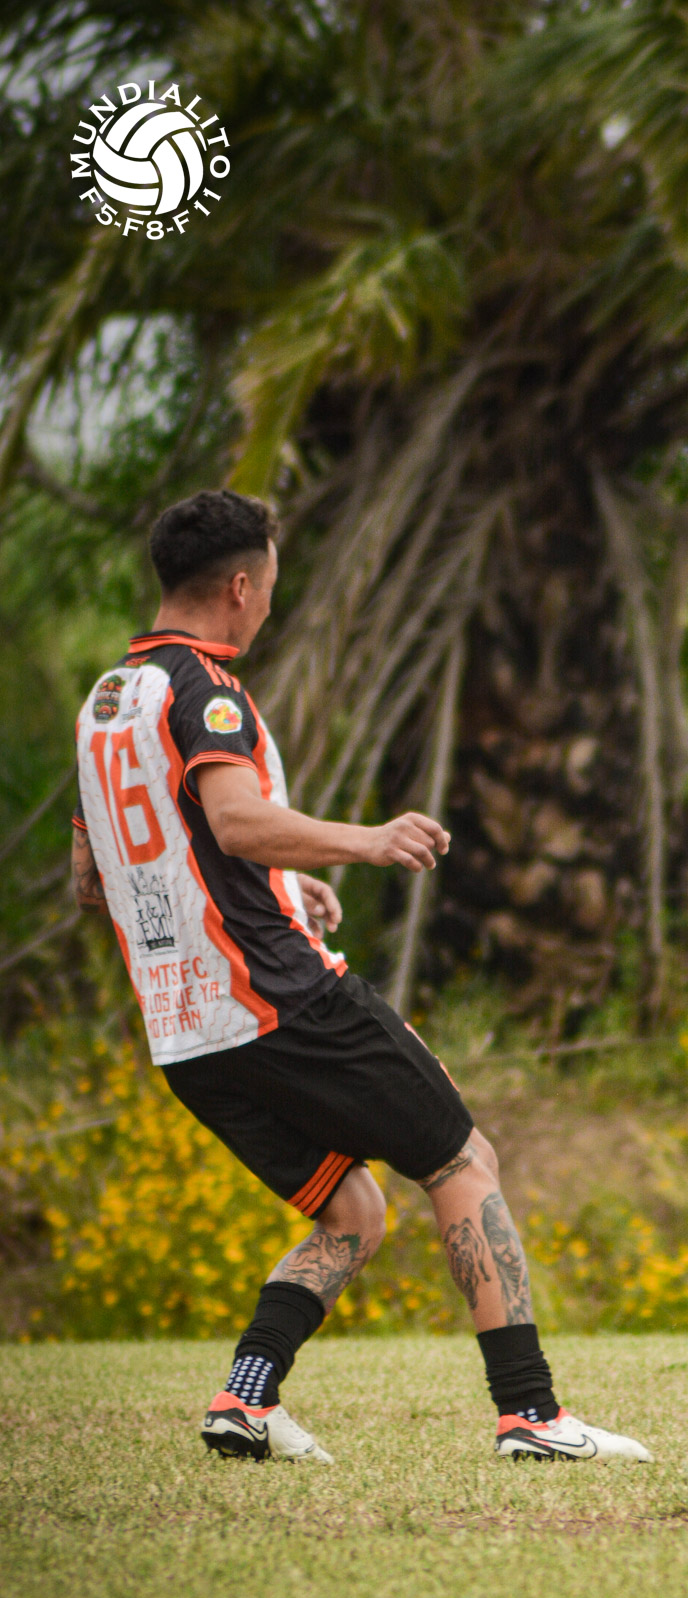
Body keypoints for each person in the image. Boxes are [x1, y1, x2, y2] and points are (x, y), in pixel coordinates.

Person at [71, 488, 651, 1464]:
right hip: (280, 1001)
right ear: (241, 586)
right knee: (461, 1161)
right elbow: (233, 822)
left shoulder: (104, 703)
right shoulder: (205, 690)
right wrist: (367, 841)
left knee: (352, 1212)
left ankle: (245, 1401)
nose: (270, 604)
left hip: (185, 1033)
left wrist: (278, 885)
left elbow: (98, 876)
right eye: (271, 586)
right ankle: (531, 1414)